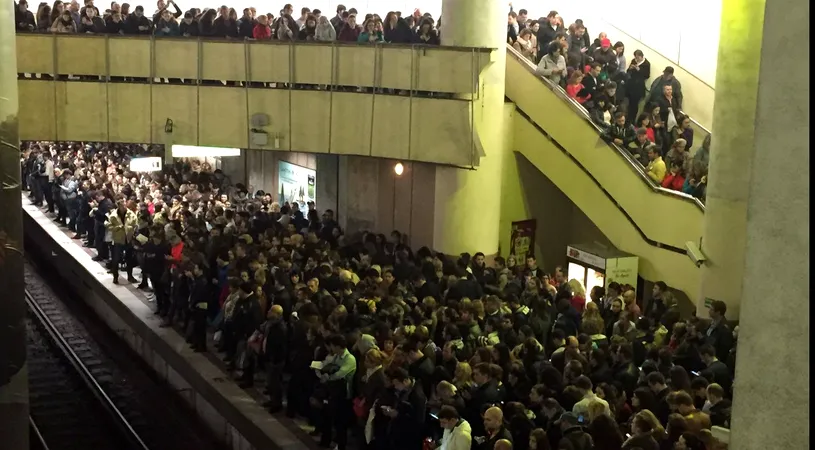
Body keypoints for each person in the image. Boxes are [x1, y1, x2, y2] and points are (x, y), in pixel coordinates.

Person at [106, 198, 138, 284]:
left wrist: (131, 230)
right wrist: (117, 228)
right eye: (122, 205)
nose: (124, 206)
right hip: (118, 240)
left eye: (125, 204)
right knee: (115, 259)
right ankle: (115, 277)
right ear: (119, 206)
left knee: (129, 259)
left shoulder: (131, 214)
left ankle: (130, 276)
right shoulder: (113, 215)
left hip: (128, 239)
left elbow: (135, 225)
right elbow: (109, 226)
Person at [625, 50, 650, 123]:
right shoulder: (634, 61)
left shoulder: (646, 64)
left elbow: (647, 76)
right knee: (628, 104)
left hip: (638, 88)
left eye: (637, 58)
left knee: (634, 105)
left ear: (641, 56)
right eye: (635, 58)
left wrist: (639, 70)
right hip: (630, 86)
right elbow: (628, 71)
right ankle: (626, 119)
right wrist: (630, 68)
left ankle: (632, 121)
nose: (636, 59)